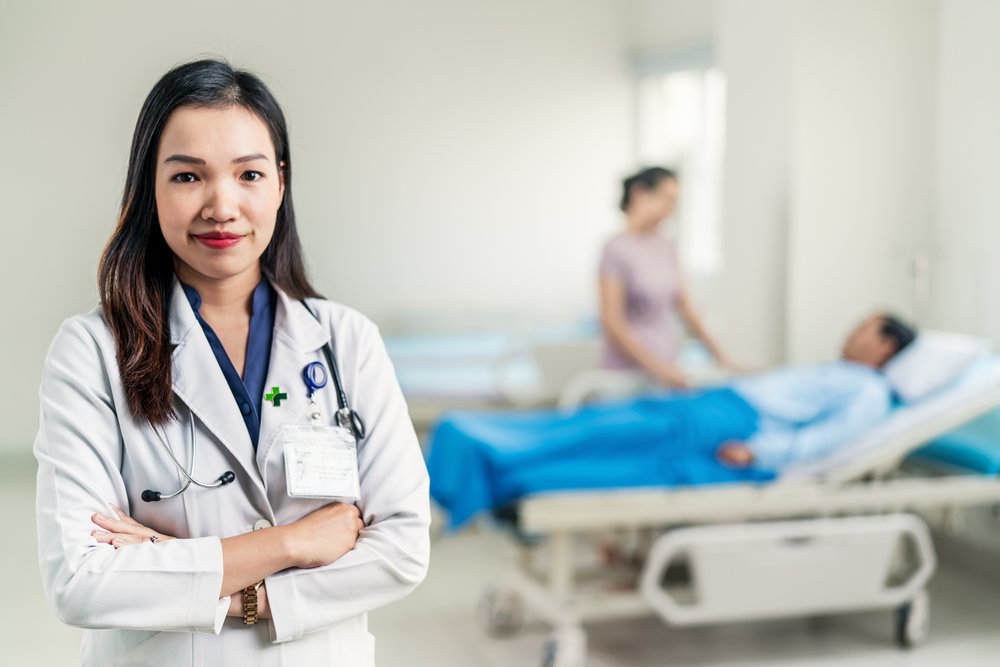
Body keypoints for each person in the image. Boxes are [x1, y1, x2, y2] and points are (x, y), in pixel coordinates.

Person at [34, 59, 430, 666]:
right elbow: (83, 581)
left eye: (248, 173)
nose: (222, 206)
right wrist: (295, 543)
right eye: (189, 177)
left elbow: (401, 549)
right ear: (150, 187)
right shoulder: (91, 351)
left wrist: (207, 578)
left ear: (279, 182)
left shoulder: (347, 342)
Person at [427, 313, 915, 529]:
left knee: (604, 439)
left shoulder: (869, 391)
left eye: (864, 329)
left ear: (886, 346)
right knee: (597, 424)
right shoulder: (842, 371)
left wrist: (760, 453)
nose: (851, 332)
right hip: (716, 403)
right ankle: (478, 442)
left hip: (730, 430)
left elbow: (825, 439)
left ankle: (491, 461)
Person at [598, 167, 737, 388]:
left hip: (666, 368)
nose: (669, 211)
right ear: (639, 193)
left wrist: (724, 360)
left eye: (673, 203)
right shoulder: (615, 249)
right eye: (666, 200)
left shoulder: (666, 246)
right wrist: (659, 369)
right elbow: (612, 322)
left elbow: (687, 309)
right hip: (628, 376)